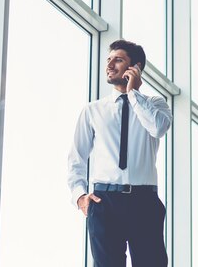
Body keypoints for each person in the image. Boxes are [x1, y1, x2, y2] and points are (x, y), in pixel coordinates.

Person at [67, 39, 172, 267]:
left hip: (144, 201)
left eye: (118, 59)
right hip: (105, 202)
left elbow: (158, 127)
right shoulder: (92, 110)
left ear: (135, 68)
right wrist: (79, 196)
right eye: (109, 59)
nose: (110, 64)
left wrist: (133, 93)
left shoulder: (156, 104)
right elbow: (77, 158)